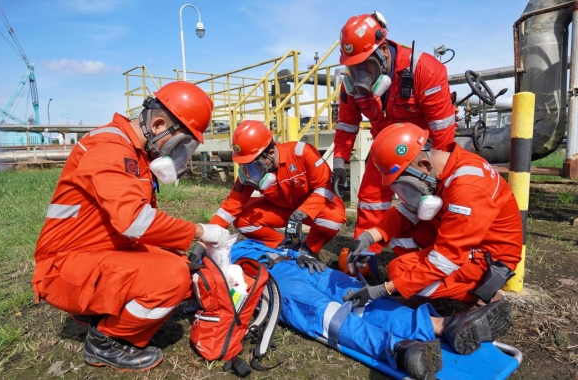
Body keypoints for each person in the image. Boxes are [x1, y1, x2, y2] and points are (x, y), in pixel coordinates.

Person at [31, 81, 231, 372]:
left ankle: (98, 310)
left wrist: (178, 246)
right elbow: (136, 221)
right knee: (173, 277)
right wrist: (201, 232)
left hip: (95, 251)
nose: (178, 155)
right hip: (63, 267)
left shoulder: (134, 151)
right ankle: (106, 342)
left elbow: (141, 226)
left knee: (181, 266)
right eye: (180, 145)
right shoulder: (110, 148)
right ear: (159, 123)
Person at [229, 239, 514, 380]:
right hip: (271, 279)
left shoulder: (244, 238)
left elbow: (283, 244)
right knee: (324, 311)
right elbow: (224, 291)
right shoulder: (210, 259)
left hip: (299, 265)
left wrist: (297, 252)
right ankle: (396, 348)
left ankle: (441, 326)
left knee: (360, 298)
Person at [345, 122, 523, 311]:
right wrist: (369, 236)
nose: (405, 193)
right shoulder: (445, 168)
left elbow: (447, 257)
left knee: (398, 271)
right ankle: (422, 291)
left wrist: (385, 289)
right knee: (399, 230)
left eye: (405, 186)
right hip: (470, 240)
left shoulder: (467, 189)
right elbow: (408, 212)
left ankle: (483, 295)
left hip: (489, 258)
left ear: (424, 165)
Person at [332, 11, 458, 254]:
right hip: (384, 148)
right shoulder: (351, 88)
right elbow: (347, 124)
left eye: (365, 66)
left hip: (425, 150)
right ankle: (366, 255)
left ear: (384, 51)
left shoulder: (424, 69)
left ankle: (435, 254)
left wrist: (439, 172)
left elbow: (443, 130)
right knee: (370, 198)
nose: (360, 77)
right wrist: (339, 161)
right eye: (353, 68)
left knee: (428, 202)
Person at [209, 120, 346, 271]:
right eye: (244, 165)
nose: (249, 171)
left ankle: (308, 249)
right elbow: (230, 207)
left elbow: (325, 188)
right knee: (242, 220)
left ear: (271, 153)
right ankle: (287, 246)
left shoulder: (302, 153)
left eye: (253, 164)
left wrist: (301, 213)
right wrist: (206, 238)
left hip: (312, 210)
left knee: (333, 218)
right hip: (283, 210)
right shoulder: (252, 173)